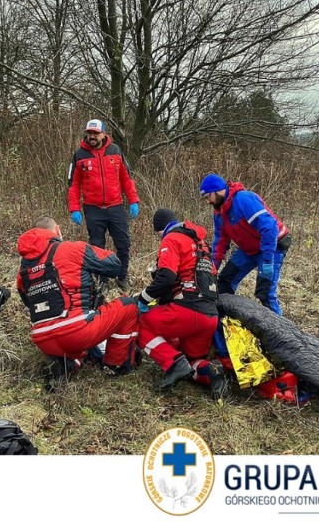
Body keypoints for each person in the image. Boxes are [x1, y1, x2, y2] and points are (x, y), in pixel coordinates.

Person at [16, 216, 140, 391]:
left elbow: (27, 301)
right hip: (76, 332)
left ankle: (67, 364)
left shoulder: (22, 270)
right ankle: (116, 365)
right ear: (57, 230)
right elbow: (114, 264)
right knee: (128, 306)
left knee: (74, 336)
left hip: (43, 340)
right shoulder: (70, 249)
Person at [135, 208, 228, 400]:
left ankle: (173, 362)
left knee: (140, 324)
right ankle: (211, 371)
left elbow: (166, 277)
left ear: (161, 229)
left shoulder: (171, 239)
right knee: (193, 359)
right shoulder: (202, 244)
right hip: (209, 316)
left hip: (187, 310)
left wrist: (143, 299)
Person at [199, 174, 291, 315]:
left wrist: (267, 261)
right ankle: (228, 319)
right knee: (225, 282)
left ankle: (281, 332)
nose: (207, 202)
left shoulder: (244, 200)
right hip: (249, 249)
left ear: (217, 190)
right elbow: (220, 241)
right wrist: (212, 268)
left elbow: (269, 228)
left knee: (265, 292)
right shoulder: (219, 213)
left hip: (273, 245)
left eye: (207, 197)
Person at [67, 119, 140, 292]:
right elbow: (73, 185)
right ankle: (103, 281)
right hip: (93, 209)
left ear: (103, 134)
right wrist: (74, 208)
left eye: (95, 133)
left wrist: (134, 200)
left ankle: (122, 277)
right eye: (89, 133)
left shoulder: (115, 151)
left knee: (123, 244)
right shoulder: (79, 155)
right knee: (97, 247)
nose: (92, 136)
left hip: (116, 207)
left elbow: (126, 178)